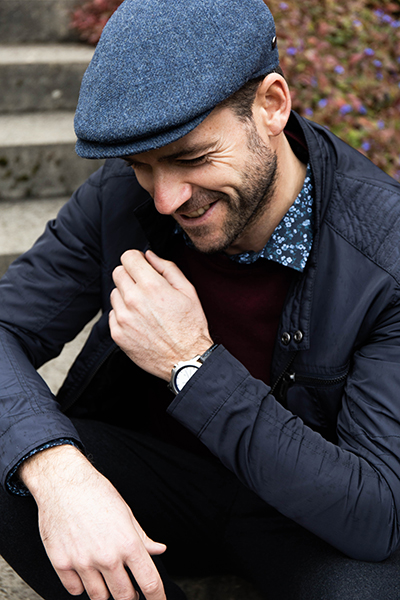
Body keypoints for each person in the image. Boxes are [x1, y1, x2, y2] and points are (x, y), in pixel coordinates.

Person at [1, 0, 400, 599]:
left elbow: (376, 511)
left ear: (271, 105)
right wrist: (57, 470)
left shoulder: (385, 254)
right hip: (163, 482)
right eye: (142, 165)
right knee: (15, 458)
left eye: (192, 158)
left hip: (306, 518)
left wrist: (191, 363)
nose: (166, 199)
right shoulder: (121, 196)